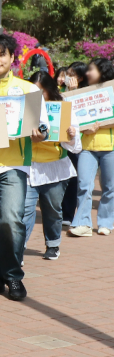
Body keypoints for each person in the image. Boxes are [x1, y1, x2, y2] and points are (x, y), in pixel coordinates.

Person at [0, 31, 47, 301]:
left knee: (11, 220)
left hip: (14, 165)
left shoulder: (28, 90)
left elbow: (42, 128)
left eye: (1, 54)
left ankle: (14, 277)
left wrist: (40, 133)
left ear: (12, 57)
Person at [23, 71, 80, 259]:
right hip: (29, 167)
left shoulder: (62, 106)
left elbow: (75, 144)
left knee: (52, 209)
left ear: (49, 90)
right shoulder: (23, 107)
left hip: (56, 168)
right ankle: (17, 249)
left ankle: (53, 244)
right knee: (24, 210)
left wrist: (71, 134)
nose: (37, 96)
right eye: (33, 92)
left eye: (41, 92)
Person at [69, 57, 114, 236]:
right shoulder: (82, 93)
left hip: (110, 146)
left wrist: (101, 124)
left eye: (91, 69)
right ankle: (83, 223)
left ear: (102, 71)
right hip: (87, 147)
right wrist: (71, 91)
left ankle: (106, 222)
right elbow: (69, 116)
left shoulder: (111, 89)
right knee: (84, 184)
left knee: (110, 187)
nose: (87, 73)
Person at [61, 61, 89, 224]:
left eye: (71, 74)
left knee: (80, 180)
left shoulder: (86, 94)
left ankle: (78, 216)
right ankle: (67, 213)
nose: (67, 77)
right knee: (69, 178)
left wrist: (73, 93)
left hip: (83, 142)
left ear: (79, 77)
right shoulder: (64, 92)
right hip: (68, 141)